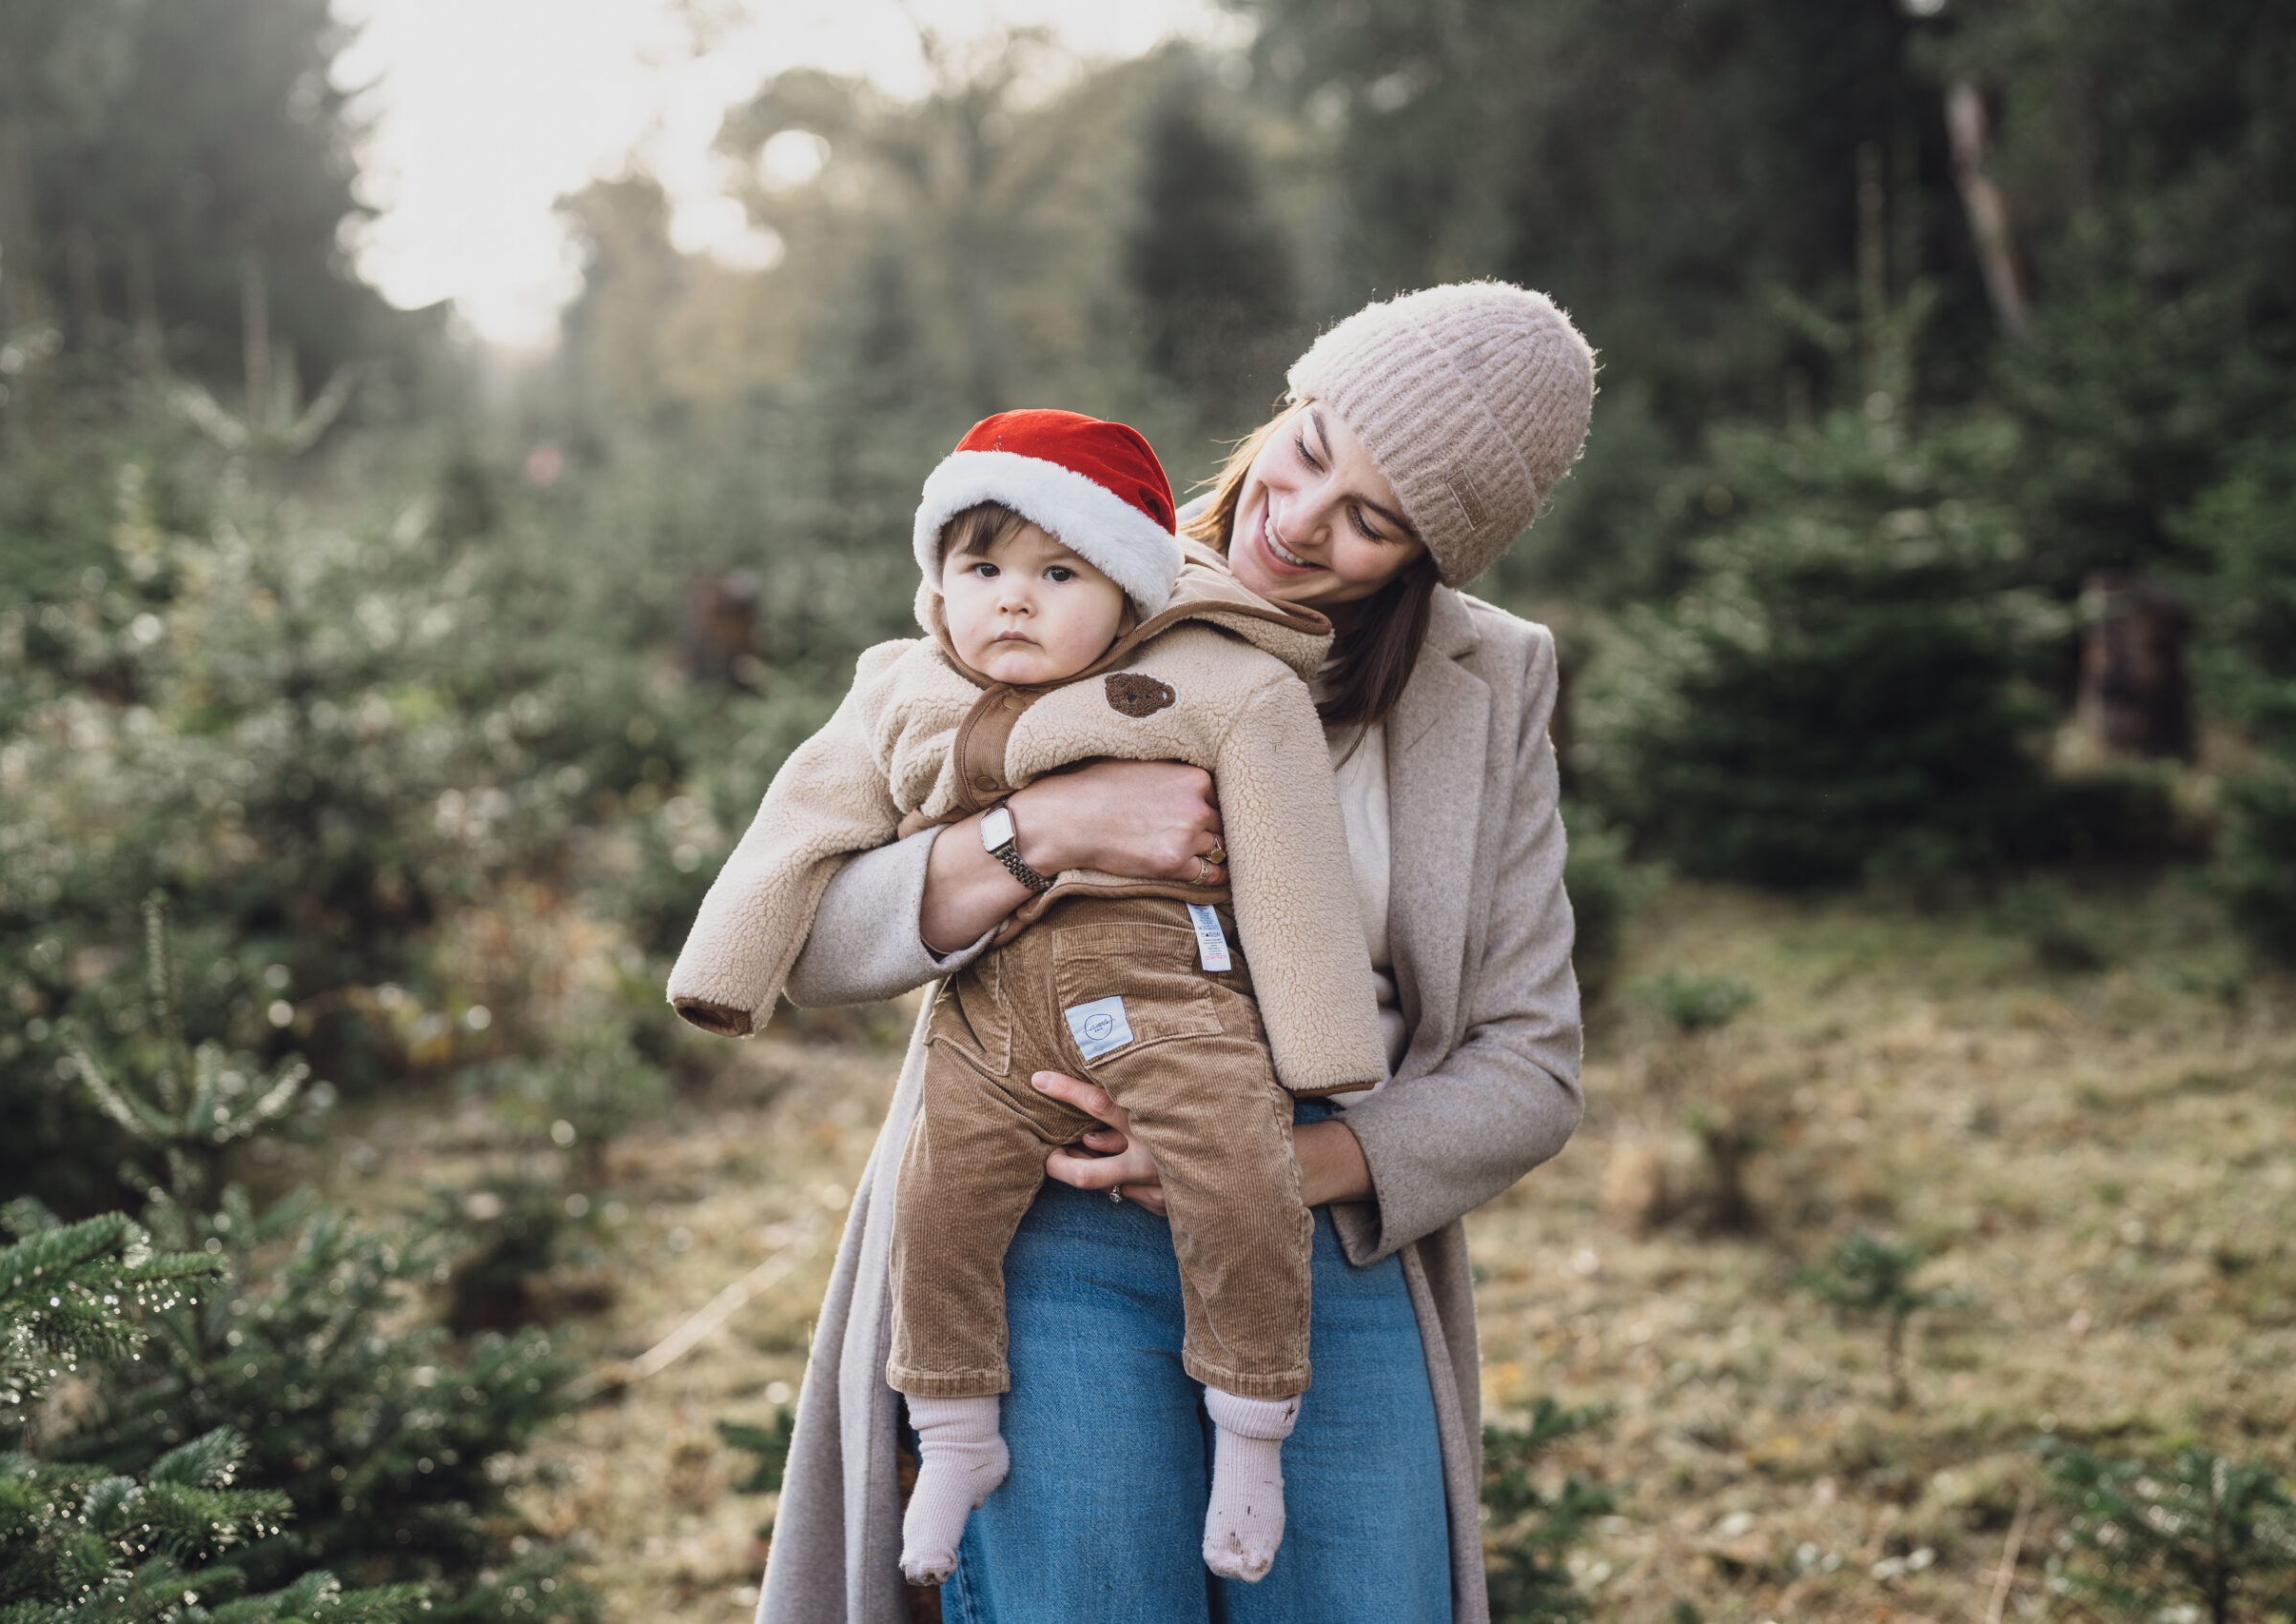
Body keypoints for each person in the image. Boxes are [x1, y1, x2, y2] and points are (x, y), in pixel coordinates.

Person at [754, 280, 1597, 1624]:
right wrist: (1041, 827)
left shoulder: (1490, 685)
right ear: (1289, 404)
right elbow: (813, 933)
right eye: (1310, 451)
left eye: (1372, 520)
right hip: (1049, 1194)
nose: (1301, 519)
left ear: (1439, 553)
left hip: (1328, 1229)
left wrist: (1291, 1157)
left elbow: (1533, 1063)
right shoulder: (1060, 562)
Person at [664, 407, 1392, 1584]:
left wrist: (1320, 1051)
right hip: (989, 1023)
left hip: (1172, 1000)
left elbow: (1296, 868)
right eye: (982, 568)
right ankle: (955, 1435)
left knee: (1240, 1189)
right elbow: (798, 823)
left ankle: (1251, 1433)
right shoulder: (899, 691)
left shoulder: (1215, 681)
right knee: (938, 1204)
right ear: (936, 582)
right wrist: (721, 975)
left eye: (1058, 572)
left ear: (1124, 591)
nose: (1014, 598)